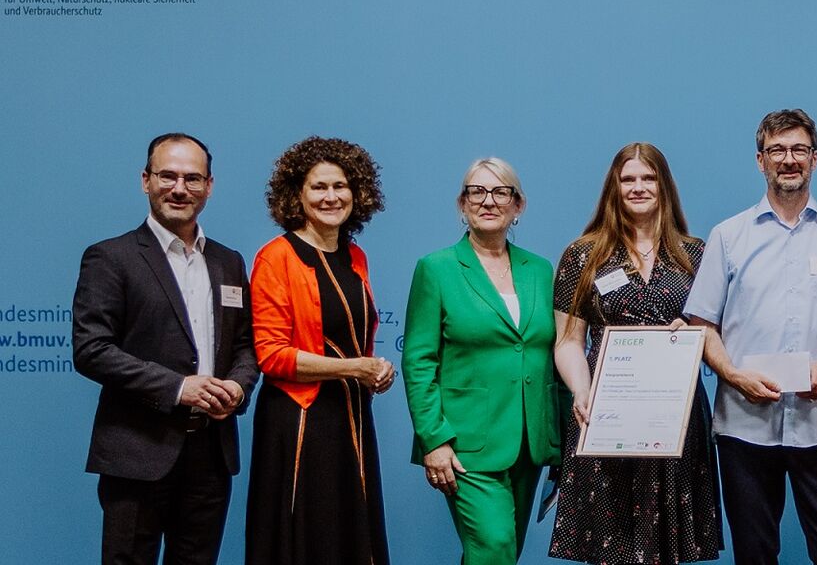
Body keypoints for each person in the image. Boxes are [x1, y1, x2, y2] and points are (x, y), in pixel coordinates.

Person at [686, 108, 817, 565]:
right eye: (777, 150)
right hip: (744, 426)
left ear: (815, 158)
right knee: (755, 554)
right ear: (760, 160)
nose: (789, 159)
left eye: (798, 150)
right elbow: (701, 325)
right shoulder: (728, 236)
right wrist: (732, 374)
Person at [72, 133, 260, 565]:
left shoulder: (228, 261)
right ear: (146, 180)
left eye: (192, 178)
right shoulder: (110, 257)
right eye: (168, 176)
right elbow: (91, 348)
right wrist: (179, 388)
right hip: (137, 452)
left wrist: (237, 385)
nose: (179, 188)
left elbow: (246, 345)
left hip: (212, 455)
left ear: (209, 186)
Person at [550, 142, 723, 564]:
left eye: (648, 178)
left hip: (675, 415)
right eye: (628, 179)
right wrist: (581, 390)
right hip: (604, 409)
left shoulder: (696, 255)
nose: (638, 187)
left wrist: (694, 333)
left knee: (668, 548)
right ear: (614, 186)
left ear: (664, 186)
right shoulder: (583, 254)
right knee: (611, 544)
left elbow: (715, 335)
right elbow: (569, 341)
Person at [402, 158, 561, 564]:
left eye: (500, 192)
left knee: (501, 554)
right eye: (477, 191)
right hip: (464, 444)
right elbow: (418, 361)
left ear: (518, 205)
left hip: (530, 441)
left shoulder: (541, 270)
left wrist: (560, 442)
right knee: (494, 546)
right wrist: (433, 439)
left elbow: (556, 354)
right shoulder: (436, 269)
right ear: (463, 203)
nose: (488, 201)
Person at [246, 136, 393, 565]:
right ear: (297, 194)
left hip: (351, 415)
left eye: (340, 186)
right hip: (299, 420)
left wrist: (375, 372)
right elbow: (272, 356)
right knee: (309, 538)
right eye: (318, 187)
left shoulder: (355, 256)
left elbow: (353, 335)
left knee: (351, 534)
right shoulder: (277, 257)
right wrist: (355, 368)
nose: (331, 196)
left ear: (357, 192)